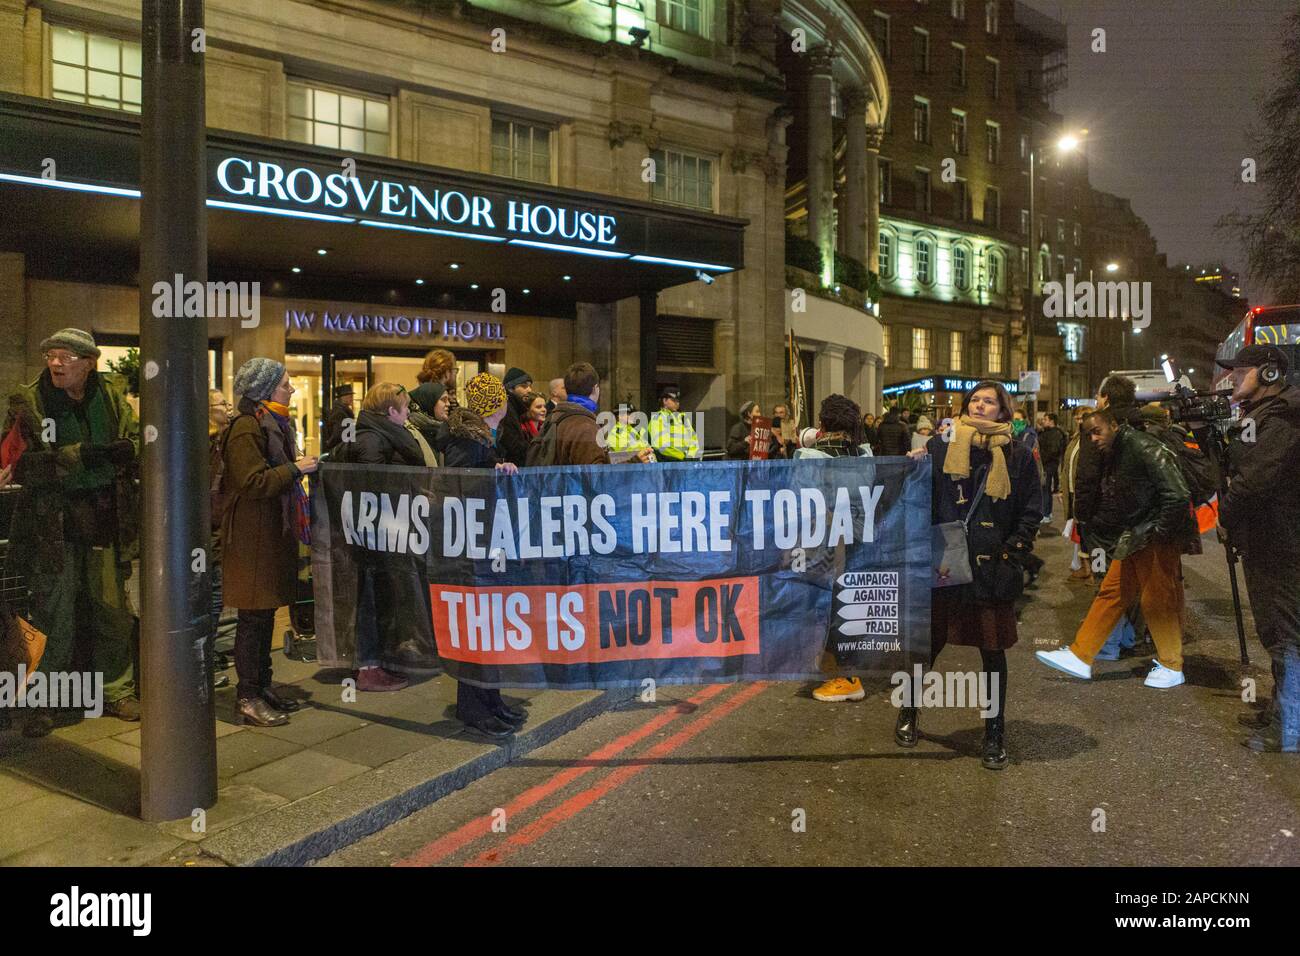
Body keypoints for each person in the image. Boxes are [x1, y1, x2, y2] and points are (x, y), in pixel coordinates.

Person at [896, 381, 1042, 769]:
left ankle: (994, 734)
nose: (980, 405)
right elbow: (917, 493)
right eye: (975, 399)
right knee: (926, 648)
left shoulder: (1019, 456)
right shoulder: (941, 446)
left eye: (989, 401)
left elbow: (1032, 508)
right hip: (945, 563)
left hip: (992, 568)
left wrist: (1014, 550)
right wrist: (914, 461)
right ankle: (909, 712)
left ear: (1003, 412)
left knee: (993, 655)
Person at [5, 328, 141, 737]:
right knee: (53, 615)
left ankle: (118, 690)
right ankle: (45, 701)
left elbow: (135, 438)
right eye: (50, 354)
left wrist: (131, 448)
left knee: (112, 611)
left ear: (88, 362)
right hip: (54, 525)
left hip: (104, 518)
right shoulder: (28, 401)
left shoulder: (113, 395)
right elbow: (25, 466)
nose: (55, 363)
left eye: (65, 356)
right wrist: (83, 455)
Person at [1035, 406, 1194, 689]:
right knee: (1113, 592)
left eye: (1097, 431)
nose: (1093, 438)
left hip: (1150, 534)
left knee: (1154, 600)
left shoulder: (1141, 447)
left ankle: (1172, 664)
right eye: (1089, 433)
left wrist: (1160, 533)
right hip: (1139, 533)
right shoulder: (1122, 448)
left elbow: (1178, 493)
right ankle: (1080, 655)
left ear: (1114, 426)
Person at [221, 358, 318, 726]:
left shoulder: (272, 423)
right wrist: (297, 468)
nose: (290, 390)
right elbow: (252, 482)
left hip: (269, 534)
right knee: (253, 618)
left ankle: (261, 687)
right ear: (264, 391)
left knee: (263, 617)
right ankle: (247, 696)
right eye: (284, 385)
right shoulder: (247, 427)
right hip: (252, 539)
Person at [1217, 344, 1300, 752]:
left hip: (1283, 543)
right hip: (1271, 540)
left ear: (1268, 374)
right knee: (1278, 632)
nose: (1232, 378)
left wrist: (1225, 515)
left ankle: (1290, 727)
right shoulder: (1266, 416)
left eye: (1240, 371)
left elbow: (1255, 480)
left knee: (1287, 635)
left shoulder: (1284, 417)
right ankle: (1285, 711)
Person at [442, 372, 527, 739]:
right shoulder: (469, 440)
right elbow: (460, 484)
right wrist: (490, 471)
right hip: (473, 547)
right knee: (478, 627)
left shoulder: (481, 437)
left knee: (488, 628)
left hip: (485, 542)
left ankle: (489, 700)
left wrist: (495, 468)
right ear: (497, 405)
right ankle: (475, 708)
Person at [333, 383, 431, 691]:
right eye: (404, 408)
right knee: (370, 598)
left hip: (380, 532)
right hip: (371, 536)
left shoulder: (377, 434)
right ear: (391, 411)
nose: (408, 414)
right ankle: (369, 668)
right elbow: (373, 487)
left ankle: (378, 661)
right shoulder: (373, 439)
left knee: (378, 595)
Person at [800, 395, 875, 703]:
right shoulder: (864, 457)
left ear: (822, 424)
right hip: (857, 540)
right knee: (846, 604)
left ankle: (846, 677)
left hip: (825, 544)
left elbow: (800, 498)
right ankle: (840, 667)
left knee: (828, 607)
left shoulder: (809, 457)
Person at [209, 389, 234, 686]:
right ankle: (202, 661)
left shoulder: (222, 442)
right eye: (222, 404)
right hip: (208, 534)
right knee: (211, 598)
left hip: (216, 531)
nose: (228, 407)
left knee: (215, 597)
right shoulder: (208, 445)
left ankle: (206, 656)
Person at [1060, 405, 1094, 582]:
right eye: (1077, 417)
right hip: (1074, 491)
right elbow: (1067, 466)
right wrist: (1062, 488)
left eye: (1083, 417)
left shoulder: (1093, 438)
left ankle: (1098, 571)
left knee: (1092, 535)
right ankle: (1085, 567)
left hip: (1087, 493)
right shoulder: (1075, 439)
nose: (1079, 420)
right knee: (1079, 532)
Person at [648, 386, 700, 461]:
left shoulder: (682, 418)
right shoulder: (658, 418)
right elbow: (661, 445)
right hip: (670, 463)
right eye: (673, 400)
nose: (677, 403)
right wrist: (682, 457)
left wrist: (692, 456)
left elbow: (694, 440)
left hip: (687, 463)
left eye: (678, 401)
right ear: (664, 401)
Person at [496, 367, 533, 468]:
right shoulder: (507, 409)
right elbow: (513, 445)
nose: (529, 390)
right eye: (524, 386)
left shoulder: (516, 408)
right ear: (510, 389)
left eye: (530, 386)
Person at [408, 380, 450, 465]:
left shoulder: (442, 430)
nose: (448, 404)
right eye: (443, 400)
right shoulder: (411, 433)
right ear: (429, 401)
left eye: (448, 400)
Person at [1037, 412, 1067, 521]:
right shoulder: (1046, 432)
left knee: (1045, 488)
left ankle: (1046, 513)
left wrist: (1042, 459)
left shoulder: (1055, 434)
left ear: (1051, 421)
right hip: (1047, 465)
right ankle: (1046, 512)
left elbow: (1053, 450)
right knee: (1046, 489)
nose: (1043, 421)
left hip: (1048, 465)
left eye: (1045, 419)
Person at [322, 384, 355, 453]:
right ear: (343, 397)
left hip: (343, 449)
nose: (352, 399)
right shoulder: (340, 412)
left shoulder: (343, 411)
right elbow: (337, 434)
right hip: (342, 450)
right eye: (350, 396)